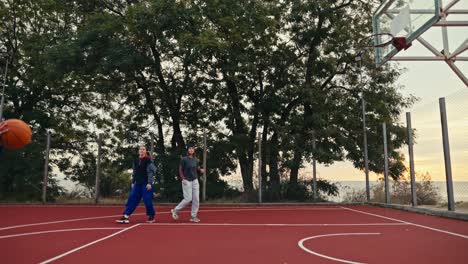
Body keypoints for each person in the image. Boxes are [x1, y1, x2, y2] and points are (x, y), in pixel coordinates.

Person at [116, 145, 156, 224]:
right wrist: (133, 182)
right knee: (132, 199)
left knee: (147, 200)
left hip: (146, 183)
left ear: (145, 151)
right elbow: (134, 172)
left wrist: (149, 183)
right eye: (140, 149)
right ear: (139, 151)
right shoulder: (136, 160)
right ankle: (125, 216)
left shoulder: (148, 160)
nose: (142, 150)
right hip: (137, 183)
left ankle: (151, 216)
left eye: (143, 149)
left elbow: (152, 172)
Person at [171, 143, 204, 223]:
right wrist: (183, 179)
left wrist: (200, 170)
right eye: (190, 148)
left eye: (192, 148)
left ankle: (193, 216)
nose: (191, 150)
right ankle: (175, 210)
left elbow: (197, 167)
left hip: (195, 180)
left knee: (196, 199)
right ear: (188, 150)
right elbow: (180, 169)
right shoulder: (184, 159)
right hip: (187, 181)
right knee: (188, 199)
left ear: (194, 150)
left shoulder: (196, 159)